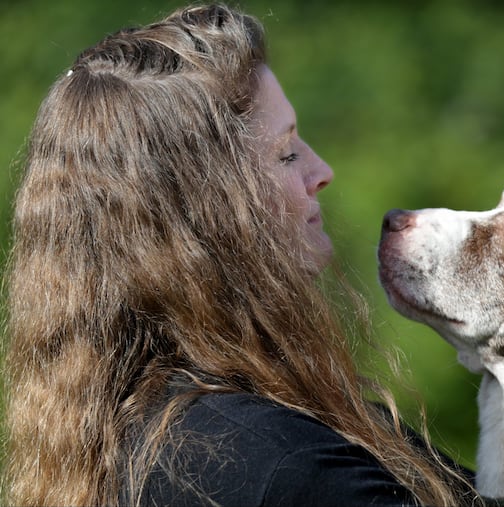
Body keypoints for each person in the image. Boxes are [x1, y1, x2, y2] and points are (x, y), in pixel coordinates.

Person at [2, 4, 478, 507]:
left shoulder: (155, 434)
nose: (322, 170)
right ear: (209, 209)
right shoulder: (280, 467)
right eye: (286, 152)